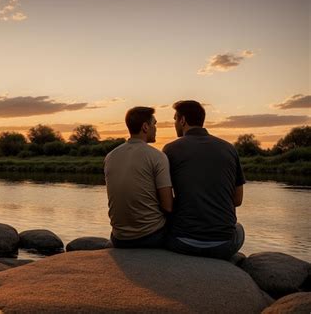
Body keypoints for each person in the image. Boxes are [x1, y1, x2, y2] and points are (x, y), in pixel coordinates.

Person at [163, 100, 245, 259]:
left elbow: (166, 202)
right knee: (239, 228)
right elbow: (237, 200)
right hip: (224, 245)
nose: (174, 123)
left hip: (181, 243)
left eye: (175, 119)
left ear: (183, 120)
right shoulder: (229, 148)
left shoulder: (170, 149)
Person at [104, 106, 174, 248]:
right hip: (151, 236)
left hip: (119, 238)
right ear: (145, 127)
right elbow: (168, 207)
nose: (156, 128)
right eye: (154, 124)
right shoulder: (157, 156)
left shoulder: (110, 156)